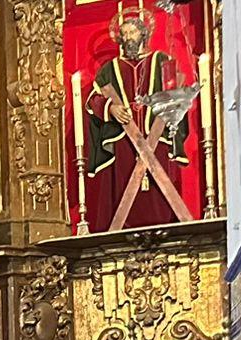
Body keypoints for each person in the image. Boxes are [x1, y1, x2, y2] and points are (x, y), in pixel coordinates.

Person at [83, 7, 196, 231]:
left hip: (157, 138)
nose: (127, 38)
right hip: (123, 141)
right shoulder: (109, 70)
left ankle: (168, 226)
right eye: (124, 34)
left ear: (144, 34)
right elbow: (93, 100)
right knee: (122, 187)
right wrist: (111, 108)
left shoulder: (161, 60)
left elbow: (177, 92)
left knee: (161, 188)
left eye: (132, 33)